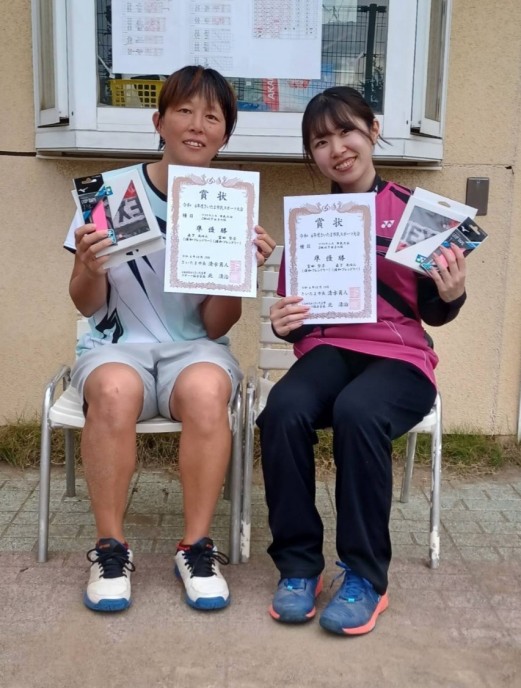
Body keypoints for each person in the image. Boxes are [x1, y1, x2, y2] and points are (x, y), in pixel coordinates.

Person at [64, 65, 275, 613]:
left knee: (207, 392)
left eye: (213, 116)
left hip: (196, 350)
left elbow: (216, 326)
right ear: (159, 122)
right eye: (184, 111)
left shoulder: (229, 202)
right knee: (113, 392)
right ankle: (110, 549)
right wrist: (89, 264)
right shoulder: (109, 193)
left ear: (226, 134)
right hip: (116, 347)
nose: (197, 125)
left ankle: (196, 548)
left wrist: (239, 273)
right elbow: (86, 304)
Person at [257, 86, 467, 636]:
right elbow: (300, 316)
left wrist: (451, 294)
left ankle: (365, 577)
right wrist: (284, 322)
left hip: (401, 358)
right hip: (329, 352)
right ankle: (299, 567)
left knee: (359, 410)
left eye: (346, 131)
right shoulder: (311, 220)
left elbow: (433, 311)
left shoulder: (417, 213)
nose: (337, 149)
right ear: (312, 154)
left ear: (372, 130)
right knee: (283, 410)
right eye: (320, 141)